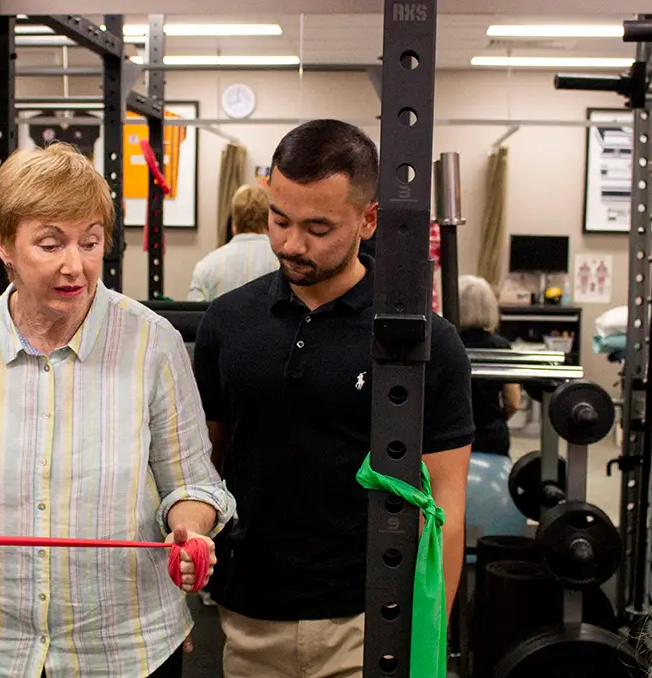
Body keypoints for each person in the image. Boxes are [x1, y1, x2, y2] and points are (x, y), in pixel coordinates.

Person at [0, 143, 235, 678]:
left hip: (124, 649)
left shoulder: (153, 343)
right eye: (50, 244)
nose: (74, 265)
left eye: (90, 242)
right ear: (5, 244)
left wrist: (190, 531)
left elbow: (192, 484)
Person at [192, 119, 475, 678]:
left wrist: (425, 635)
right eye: (279, 220)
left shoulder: (425, 341)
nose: (291, 244)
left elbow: (447, 505)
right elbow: (207, 466)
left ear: (368, 220)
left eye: (318, 227)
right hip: (250, 615)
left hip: (367, 619)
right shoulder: (227, 322)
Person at [458, 274, 521, 456]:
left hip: (450, 437)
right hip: (491, 437)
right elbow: (514, 402)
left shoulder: (445, 343)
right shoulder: (501, 346)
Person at [187, 184, 279, 302]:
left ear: (233, 224)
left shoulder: (205, 268)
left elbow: (194, 317)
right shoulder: (283, 263)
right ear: (269, 221)